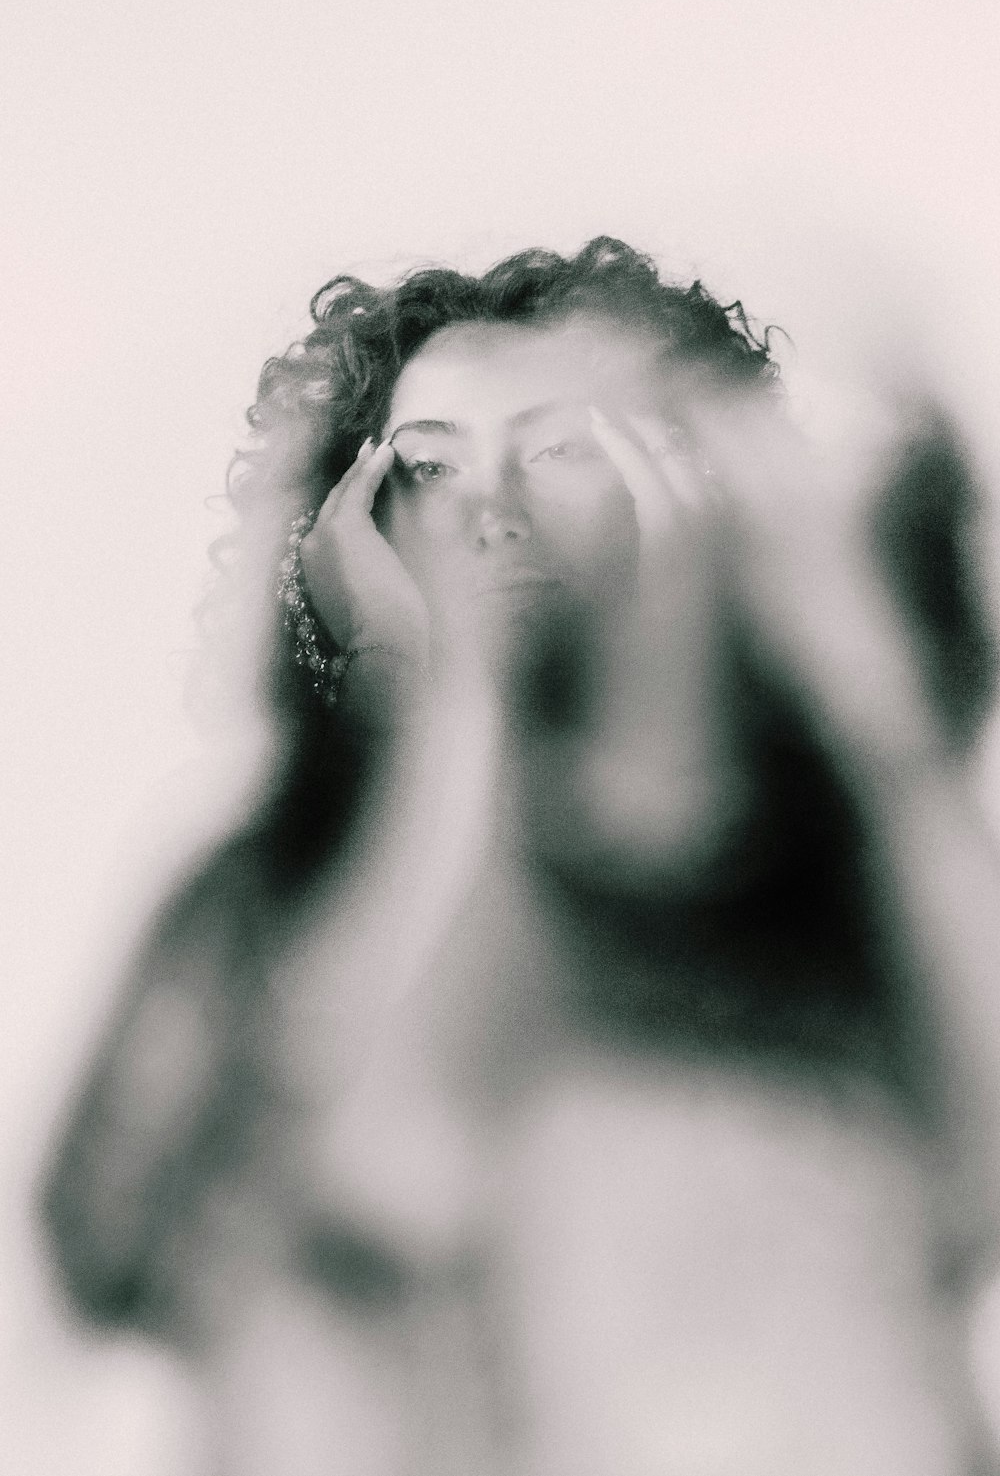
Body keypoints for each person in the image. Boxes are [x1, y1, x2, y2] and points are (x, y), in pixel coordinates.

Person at [41, 238, 1000, 1473]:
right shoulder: (271, 891)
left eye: (560, 450)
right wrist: (452, 724)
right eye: (427, 464)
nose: (486, 511)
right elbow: (147, 1242)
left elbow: (966, 1196)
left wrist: (865, 700)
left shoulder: (818, 891)